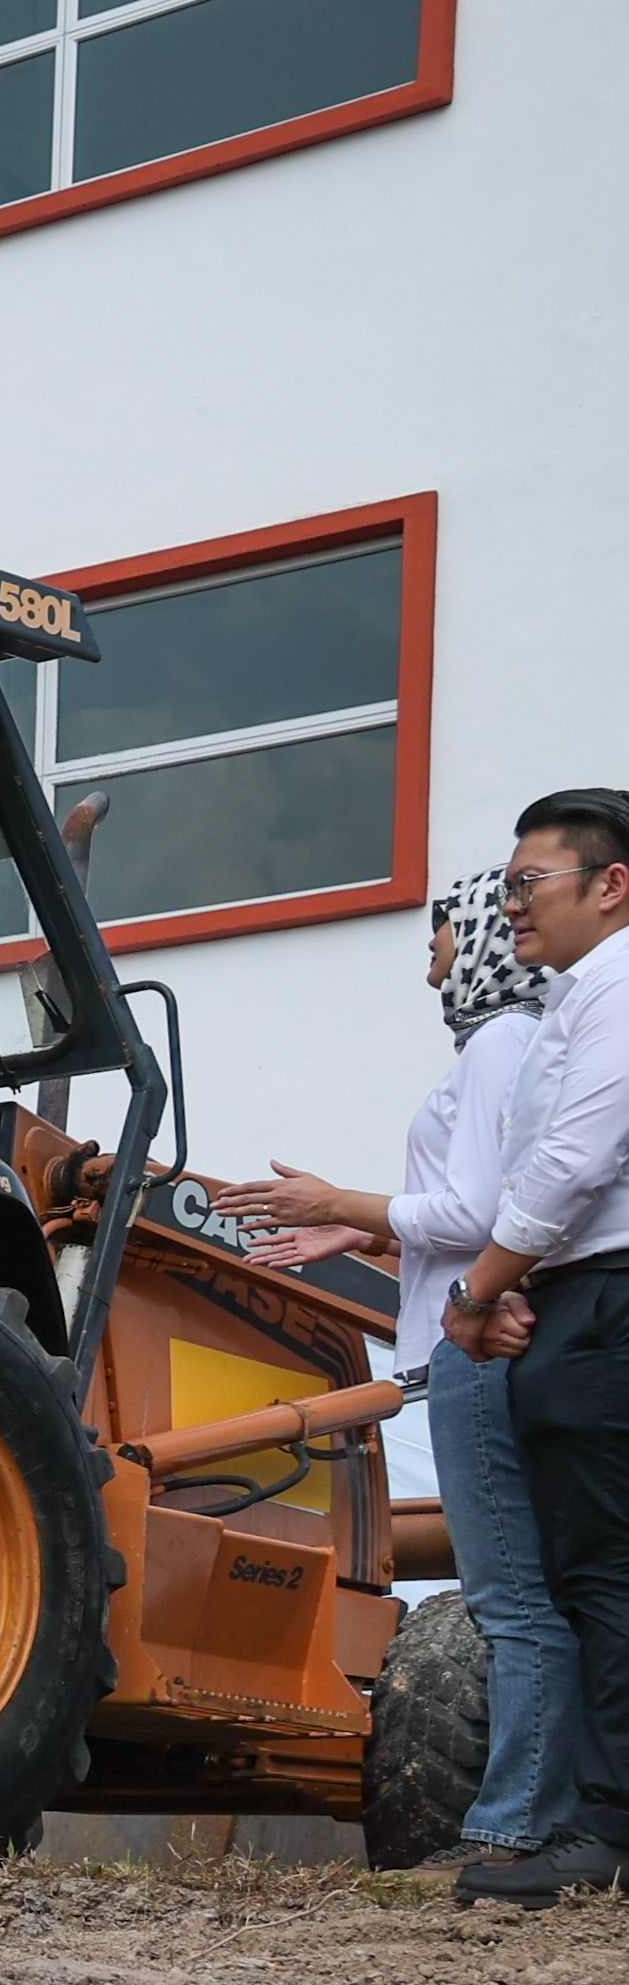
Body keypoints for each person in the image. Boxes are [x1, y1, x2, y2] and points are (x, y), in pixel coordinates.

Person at [218, 869, 599, 1876]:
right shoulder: (518, 1044)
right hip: (467, 1341)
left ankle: (511, 1826)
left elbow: (479, 1211)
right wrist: (354, 1224)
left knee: (512, 1601)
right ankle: (541, 1816)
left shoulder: (499, 1046)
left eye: (436, 931)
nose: (425, 952)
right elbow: (468, 1203)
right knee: (538, 1595)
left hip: (467, 1355)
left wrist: (336, 1199)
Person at [386, 793, 629, 1907]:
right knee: (572, 1582)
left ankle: (563, 1826)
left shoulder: (574, 1011)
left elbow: (555, 1172)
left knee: (565, 1588)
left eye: (527, 882)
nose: (505, 905)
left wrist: (480, 1291)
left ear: (606, 885)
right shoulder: (566, 1010)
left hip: (569, 1309)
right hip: (553, 1300)